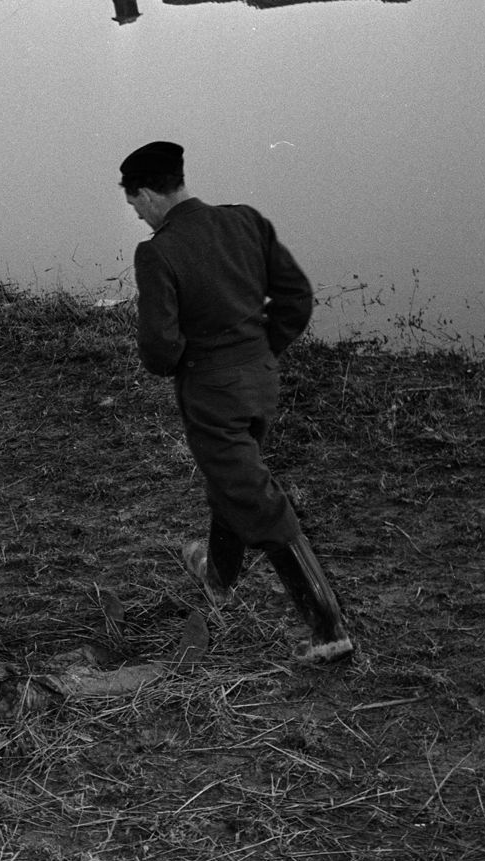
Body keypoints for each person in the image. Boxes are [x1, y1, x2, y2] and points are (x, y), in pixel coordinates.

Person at [121, 140, 354, 666]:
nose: (135, 212)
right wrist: (261, 349)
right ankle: (218, 577)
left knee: (253, 493)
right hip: (260, 380)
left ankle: (327, 627)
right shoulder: (245, 221)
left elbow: (159, 349)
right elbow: (296, 298)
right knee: (234, 477)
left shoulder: (156, 251)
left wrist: (192, 362)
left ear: (152, 193)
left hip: (211, 392)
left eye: (134, 201)